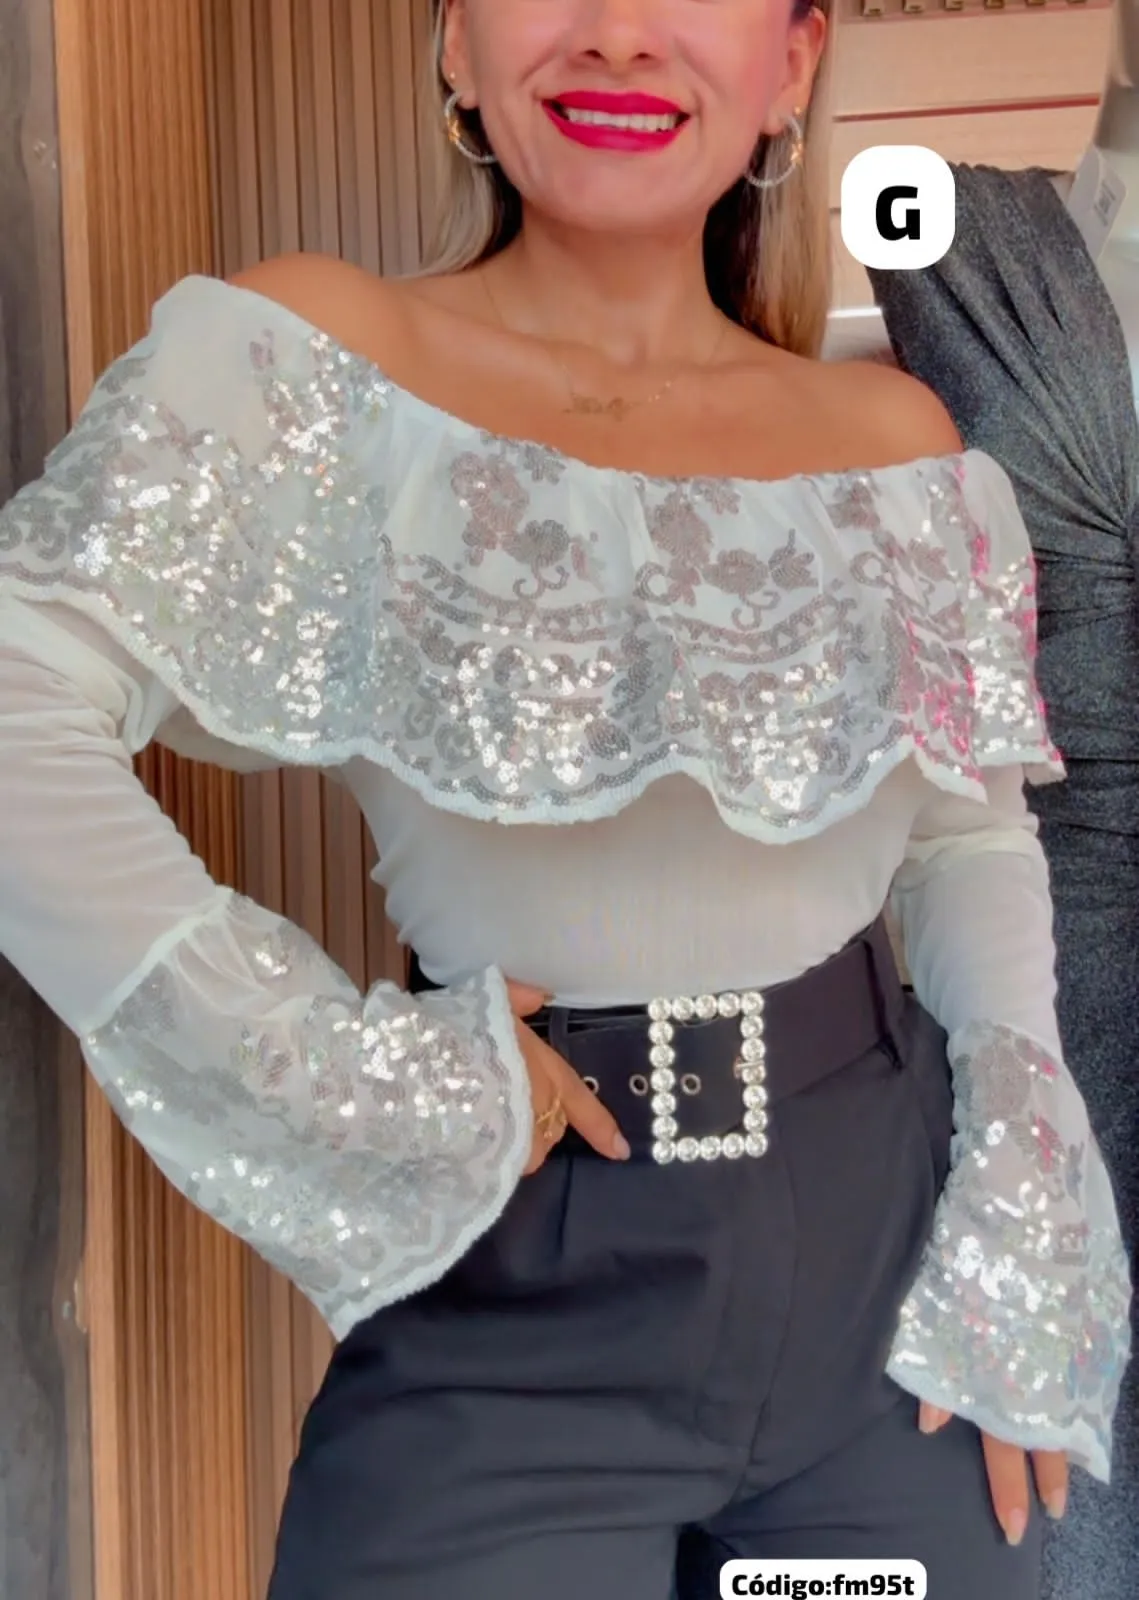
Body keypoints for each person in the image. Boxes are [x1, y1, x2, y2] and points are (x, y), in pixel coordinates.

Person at [0, 2, 1128, 1597]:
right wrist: (326, 1067)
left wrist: (1023, 1179)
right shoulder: (314, 361)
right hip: (507, 1296)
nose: (617, 35)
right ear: (457, 43)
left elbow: (962, 833)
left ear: (790, 63)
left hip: (882, 1301)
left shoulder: (896, 449)